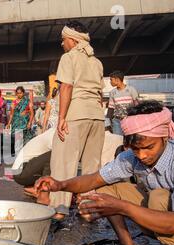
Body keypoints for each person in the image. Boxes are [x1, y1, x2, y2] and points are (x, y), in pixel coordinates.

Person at [35, 101, 174, 245]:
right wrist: (60, 185)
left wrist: (123, 207)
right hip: (165, 220)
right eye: (135, 149)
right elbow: (95, 179)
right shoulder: (131, 158)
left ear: (165, 137)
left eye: (149, 147)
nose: (142, 155)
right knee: (105, 190)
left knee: (159, 196)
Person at [49, 21, 106, 221]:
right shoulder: (97, 62)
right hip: (97, 117)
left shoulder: (68, 58)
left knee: (64, 163)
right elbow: (100, 94)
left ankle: (59, 208)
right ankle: (89, 210)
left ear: (72, 40)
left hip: (76, 114)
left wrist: (62, 118)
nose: (62, 44)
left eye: (63, 40)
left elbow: (66, 87)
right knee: (92, 168)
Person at [13, 123, 123, 208]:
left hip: (25, 172)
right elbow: (62, 161)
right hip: (21, 171)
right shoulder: (55, 134)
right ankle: (44, 194)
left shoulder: (57, 133)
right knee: (56, 157)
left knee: (62, 159)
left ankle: (35, 187)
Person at [108, 70, 139, 135]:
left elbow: (137, 105)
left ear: (117, 80)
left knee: (130, 141)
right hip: (117, 121)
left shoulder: (131, 90)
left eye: (111, 80)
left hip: (130, 120)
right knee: (117, 141)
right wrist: (108, 121)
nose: (110, 82)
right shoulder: (112, 92)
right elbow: (111, 108)